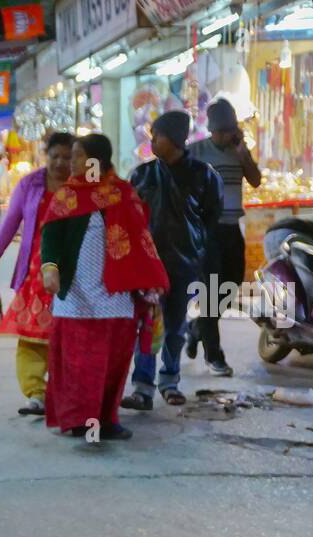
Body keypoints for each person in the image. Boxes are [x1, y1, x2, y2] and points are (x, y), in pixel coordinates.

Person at [38, 134, 169, 440]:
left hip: (115, 294)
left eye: (77, 156)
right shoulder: (67, 196)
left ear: (96, 160)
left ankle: (105, 419)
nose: (71, 163)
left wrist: (148, 281)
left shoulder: (123, 193)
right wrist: (50, 269)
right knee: (77, 361)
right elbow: (51, 238)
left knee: (112, 360)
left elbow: (141, 240)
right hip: (75, 295)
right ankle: (78, 420)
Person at [122, 110, 223, 410]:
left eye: (158, 135)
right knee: (146, 325)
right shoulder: (141, 174)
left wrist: (198, 254)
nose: (152, 140)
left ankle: (169, 380)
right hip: (146, 265)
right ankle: (142, 387)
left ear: (176, 139)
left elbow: (210, 219)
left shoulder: (205, 176)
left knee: (175, 326)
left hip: (184, 263)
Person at [0, 131, 74, 416]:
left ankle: (66, 390)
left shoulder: (83, 185)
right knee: (32, 335)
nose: (60, 162)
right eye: (55, 156)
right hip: (35, 271)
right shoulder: (30, 184)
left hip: (73, 273)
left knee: (68, 333)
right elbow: (9, 224)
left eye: (67, 157)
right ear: (44, 155)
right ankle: (35, 392)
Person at [186, 98, 262, 376]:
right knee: (211, 288)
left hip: (231, 227)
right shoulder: (196, 152)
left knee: (231, 284)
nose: (228, 135)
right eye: (223, 131)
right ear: (212, 129)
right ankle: (214, 355)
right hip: (206, 231)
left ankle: (196, 328)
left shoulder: (239, 152)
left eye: (232, 130)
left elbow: (255, 180)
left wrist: (243, 152)